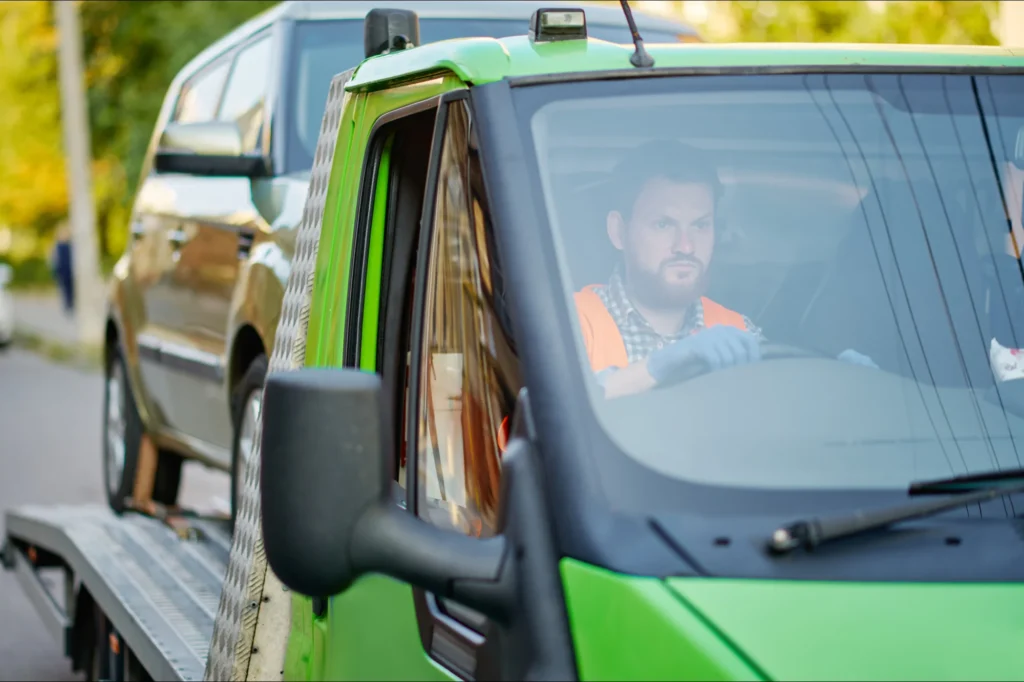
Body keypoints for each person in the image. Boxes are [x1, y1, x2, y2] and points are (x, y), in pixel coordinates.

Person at [573, 140, 876, 399]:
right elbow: (565, 407)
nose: (686, 246)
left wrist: (836, 384)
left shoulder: (738, 329)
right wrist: (660, 366)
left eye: (700, 225)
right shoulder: (572, 319)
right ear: (618, 231)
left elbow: (777, 411)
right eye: (663, 224)